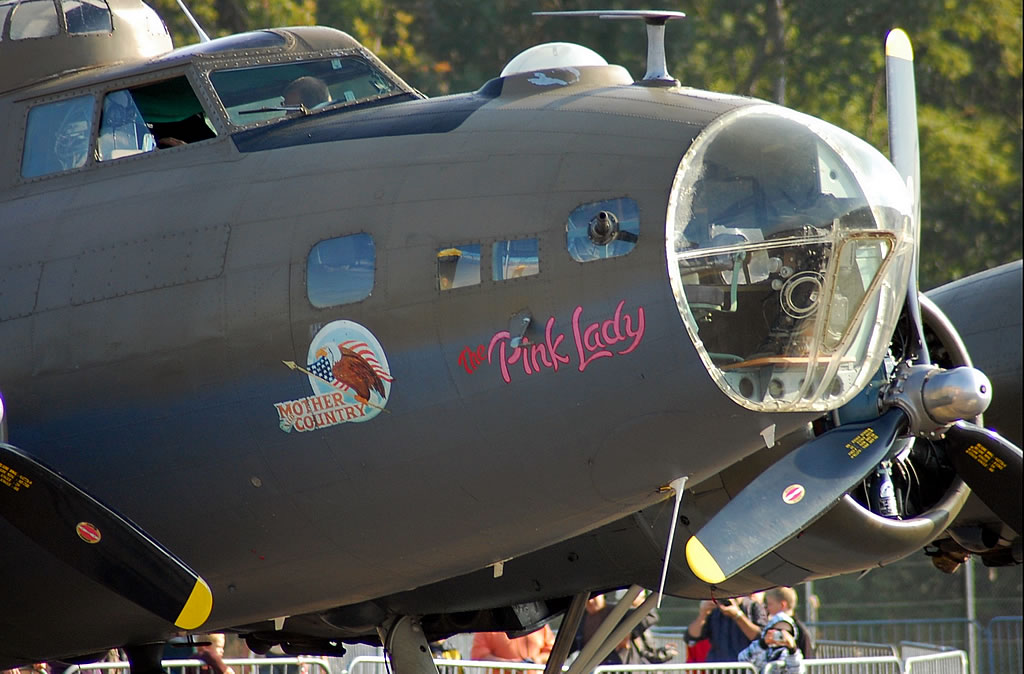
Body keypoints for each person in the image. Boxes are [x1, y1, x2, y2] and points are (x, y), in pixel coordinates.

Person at [737, 587, 804, 673]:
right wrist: (763, 643)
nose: (779, 634)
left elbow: (797, 670)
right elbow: (743, 659)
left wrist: (792, 649)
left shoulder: (791, 651)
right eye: (776, 629)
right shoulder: (765, 649)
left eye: (786, 630)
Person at [686, 594, 768, 662]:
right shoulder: (715, 608)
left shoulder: (753, 606)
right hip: (719, 667)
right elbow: (691, 638)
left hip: (746, 666)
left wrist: (738, 616)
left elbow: (761, 637)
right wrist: (702, 614)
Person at [471, 626, 554, 674]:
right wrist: (509, 665)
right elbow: (479, 656)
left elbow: (552, 652)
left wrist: (536, 660)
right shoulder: (489, 626)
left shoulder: (539, 624)